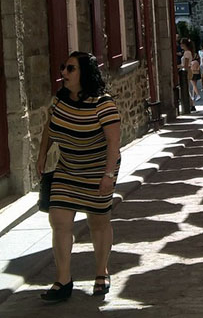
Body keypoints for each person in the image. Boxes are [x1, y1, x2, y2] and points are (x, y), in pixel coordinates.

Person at [36, 52, 121, 301]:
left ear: (84, 73)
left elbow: (113, 143)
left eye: (70, 69)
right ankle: (63, 280)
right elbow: (49, 130)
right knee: (59, 220)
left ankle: (101, 272)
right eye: (63, 68)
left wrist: (108, 175)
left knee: (98, 222)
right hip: (67, 168)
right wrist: (42, 156)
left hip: (97, 170)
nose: (64, 73)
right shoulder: (59, 101)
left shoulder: (103, 104)